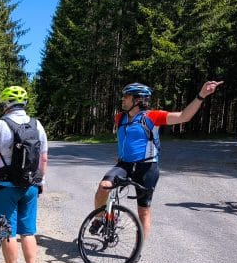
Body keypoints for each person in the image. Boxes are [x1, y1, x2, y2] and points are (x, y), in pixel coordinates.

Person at [90, 80, 223, 240]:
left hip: (147, 168)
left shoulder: (153, 116)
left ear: (137, 100)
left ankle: (138, 249)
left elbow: (184, 116)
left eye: (126, 96)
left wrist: (201, 95)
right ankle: (100, 219)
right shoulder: (120, 118)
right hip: (124, 165)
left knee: (143, 211)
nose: (123, 99)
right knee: (103, 187)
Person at [0, 85, 48, 263]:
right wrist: (41, 181)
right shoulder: (37, 125)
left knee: (7, 230)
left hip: (5, 186)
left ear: (6, 104)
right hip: (31, 186)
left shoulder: (0, 125)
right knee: (28, 231)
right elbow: (43, 158)